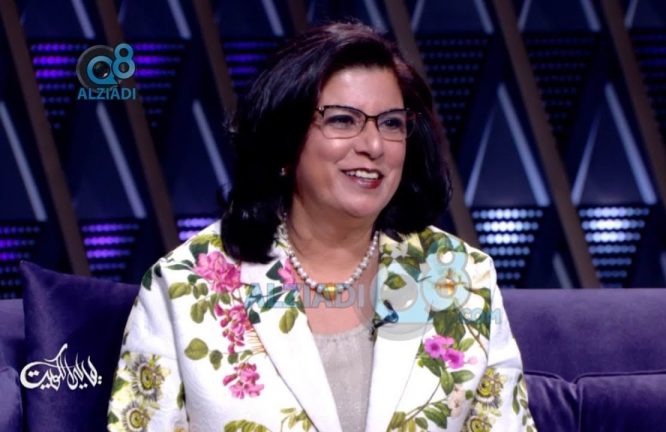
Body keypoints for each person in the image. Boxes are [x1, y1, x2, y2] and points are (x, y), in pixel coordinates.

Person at [107, 22, 536, 432]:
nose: (373, 145)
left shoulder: (460, 276)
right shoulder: (183, 287)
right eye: (343, 120)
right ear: (284, 141)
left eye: (391, 123)